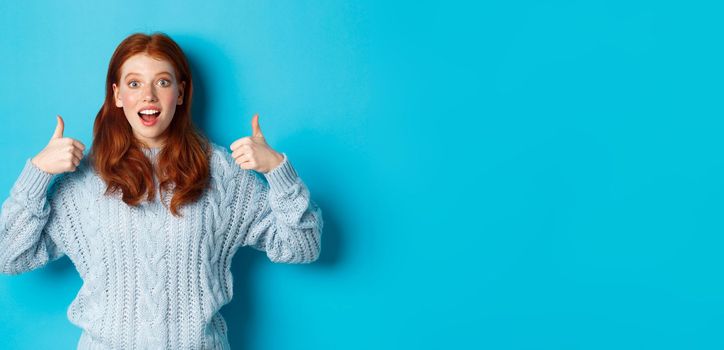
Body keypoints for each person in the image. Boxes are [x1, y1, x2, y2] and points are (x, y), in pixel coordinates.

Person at [0, 32, 323, 349]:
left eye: (163, 82)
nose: (149, 96)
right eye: (134, 83)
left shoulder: (223, 175)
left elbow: (304, 246)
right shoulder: (85, 181)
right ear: (116, 95)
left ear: (180, 93)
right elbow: (7, 255)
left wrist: (278, 170)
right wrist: (37, 173)